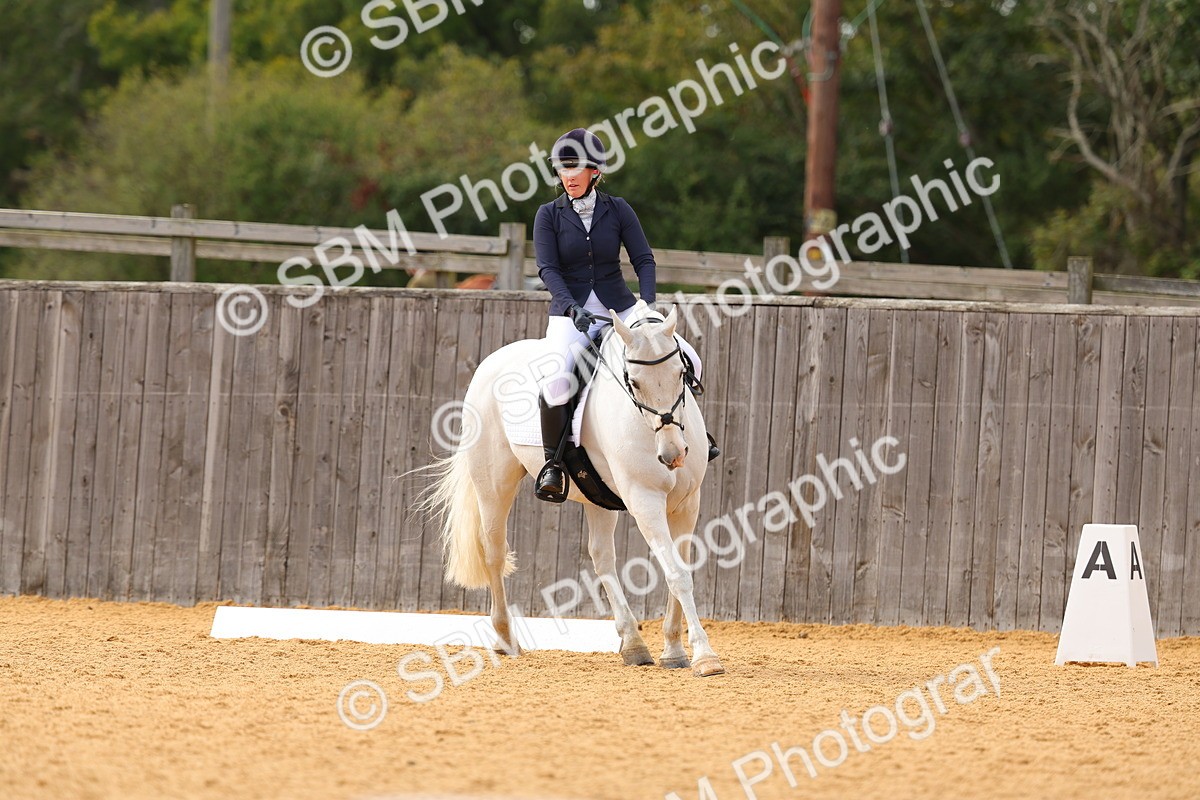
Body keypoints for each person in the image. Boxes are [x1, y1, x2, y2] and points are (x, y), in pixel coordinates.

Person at [532, 128, 719, 504]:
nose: (568, 177)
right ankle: (552, 464)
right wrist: (571, 308)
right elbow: (547, 269)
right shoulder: (548, 216)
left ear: (595, 172)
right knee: (556, 382)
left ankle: (694, 436)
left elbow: (643, 259)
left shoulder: (618, 209)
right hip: (572, 313)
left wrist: (647, 304)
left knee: (688, 358)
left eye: (576, 169)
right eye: (563, 169)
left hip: (622, 306)